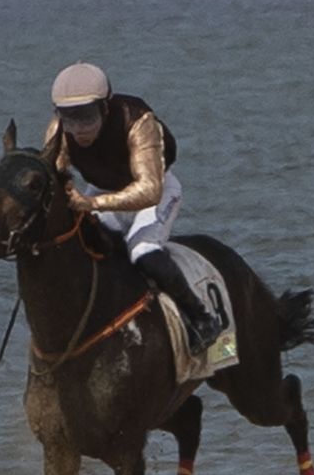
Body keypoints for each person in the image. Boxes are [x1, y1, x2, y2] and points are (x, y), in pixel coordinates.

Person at [44, 62, 223, 355]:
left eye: (87, 118)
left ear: (105, 108)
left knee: (142, 252)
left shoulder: (138, 121)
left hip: (156, 191)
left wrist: (91, 203)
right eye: (69, 119)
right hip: (102, 190)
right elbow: (56, 177)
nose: (78, 130)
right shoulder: (59, 130)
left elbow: (149, 189)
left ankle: (201, 318)